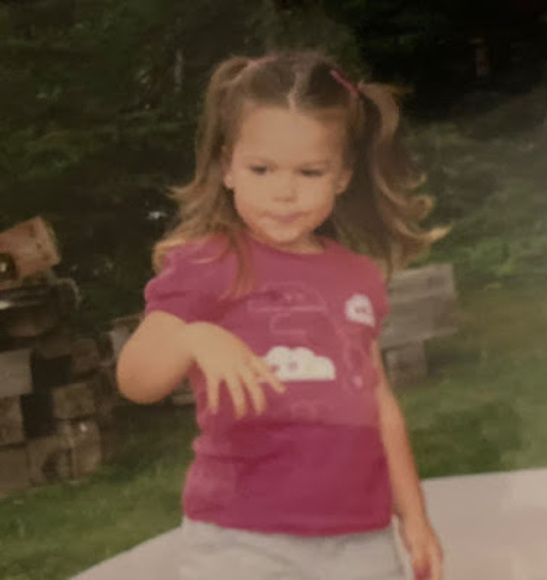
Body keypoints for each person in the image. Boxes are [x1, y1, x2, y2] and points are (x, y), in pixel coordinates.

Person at [117, 51, 446, 580]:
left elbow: (380, 405)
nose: (284, 191)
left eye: (309, 171)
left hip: (359, 538)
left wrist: (414, 517)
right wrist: (194, 338)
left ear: (342, 176)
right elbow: (135, 380)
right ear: (228, 167)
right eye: (262, 169)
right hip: (242, 540)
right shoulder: (209, 264)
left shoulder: (357, 276)